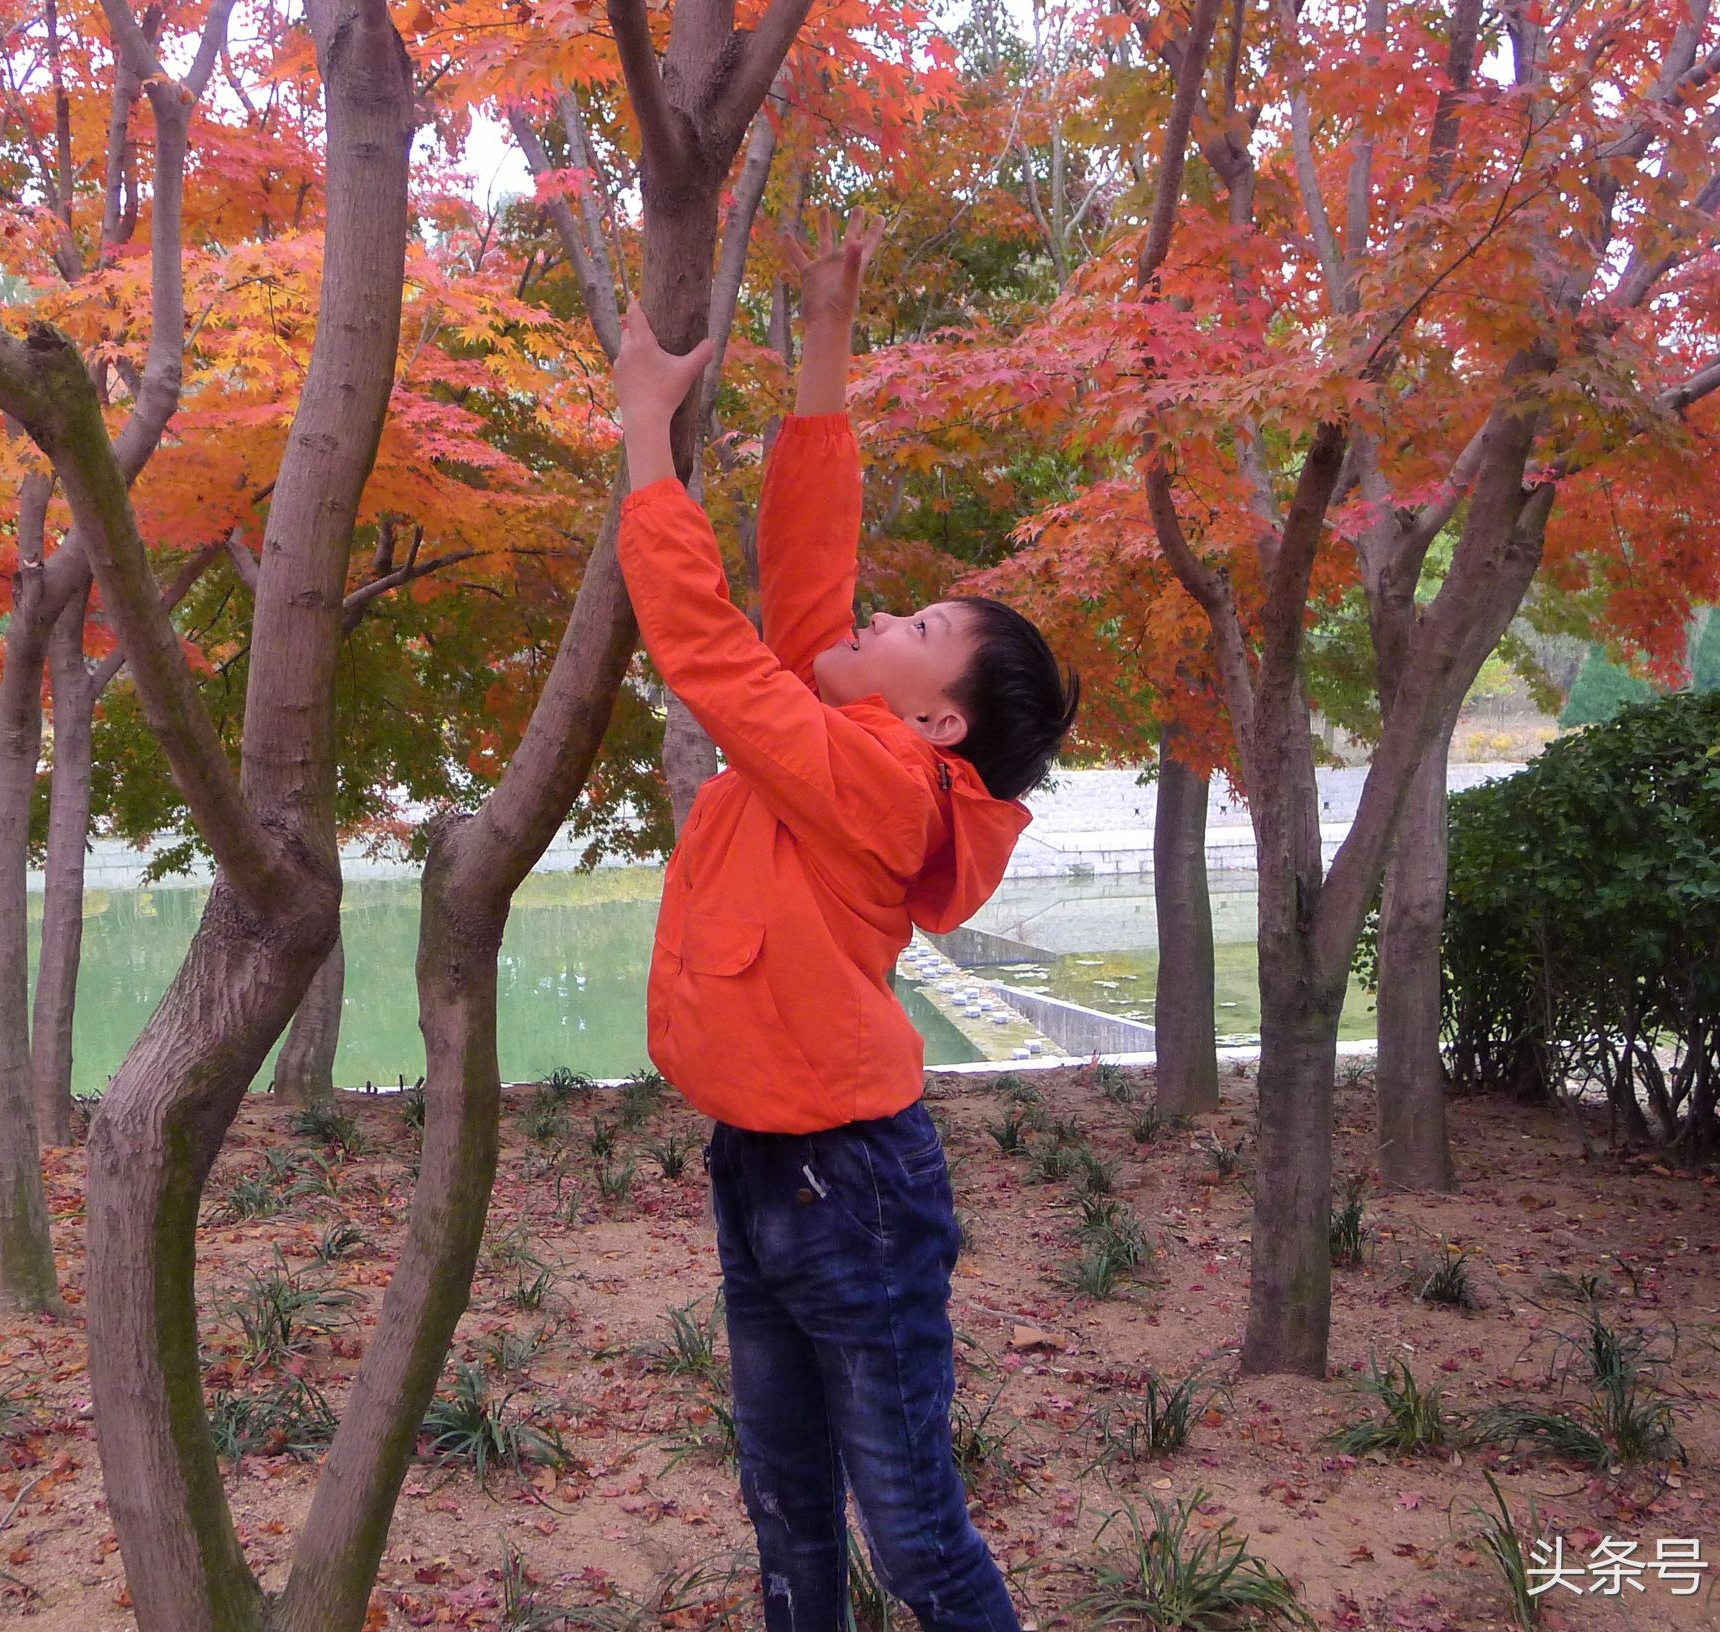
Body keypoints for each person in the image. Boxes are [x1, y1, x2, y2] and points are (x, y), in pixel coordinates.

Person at [612, 211, 1077, 1632]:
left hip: (848, 1189)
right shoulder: (859, 738)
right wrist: (825, 333)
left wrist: (644, 435)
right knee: (788, 1512)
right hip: (767, 1164)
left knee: (915, 1538)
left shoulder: (882, 781)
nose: (878, 618)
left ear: (933, 717)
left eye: (917, 629)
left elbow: (711, 653)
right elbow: (810, 583)